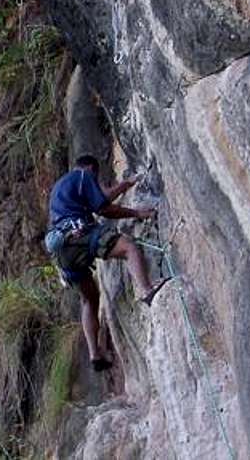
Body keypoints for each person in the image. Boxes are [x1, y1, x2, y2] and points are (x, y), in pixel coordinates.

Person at [45, 154, 170, 372]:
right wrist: (138, 213)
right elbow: (103, 208)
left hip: (62, 249)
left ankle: (95, 354)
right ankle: (147, 290)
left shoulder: (62, 186)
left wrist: (125, 185)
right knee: (129, 248)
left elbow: (103, 197)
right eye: (98, 178)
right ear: (92, 169)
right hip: (80, 235)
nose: (98, 182)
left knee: (89, 299)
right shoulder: (85, 176)